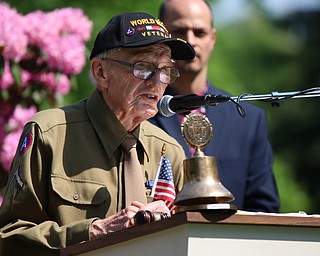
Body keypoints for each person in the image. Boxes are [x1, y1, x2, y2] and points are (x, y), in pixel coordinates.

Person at [0, 12, 195, 255]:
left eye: (165, 70)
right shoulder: (50, 133)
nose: (157, 82)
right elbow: (11, 238)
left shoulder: (169, 150)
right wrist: (93, 232)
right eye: (143, 67)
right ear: (101, 73)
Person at [149, 0, 280, 212]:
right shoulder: (139, 111)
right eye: (179, 31)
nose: (190, 40)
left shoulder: (248, 119)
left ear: (212, 38)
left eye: (199, 32)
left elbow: (264, 208)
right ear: (162, 37)